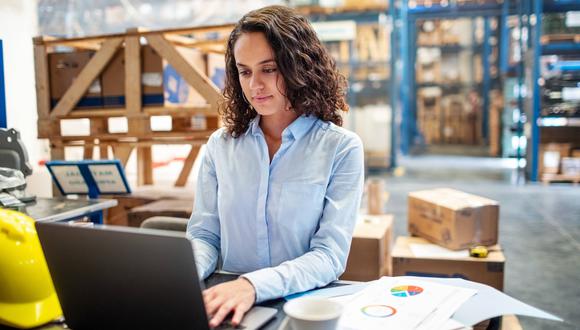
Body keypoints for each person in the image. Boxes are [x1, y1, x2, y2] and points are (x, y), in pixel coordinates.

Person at [186, 5, 364, 328]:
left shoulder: (341, 149)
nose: (255, 85)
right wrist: (183, 276)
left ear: (299, 67)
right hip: (228, 306)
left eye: (269, 69)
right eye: (245, 71)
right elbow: (205, 235)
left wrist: (253, 286)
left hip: (302, 310)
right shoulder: (220, 147)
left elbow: (328, 257)